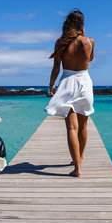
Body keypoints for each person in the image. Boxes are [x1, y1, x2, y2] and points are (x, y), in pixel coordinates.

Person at [44, 9, 94, 177]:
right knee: (83, 125)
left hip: (67, 82)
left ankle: (77, 168)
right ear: (82, 25)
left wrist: (51, 83)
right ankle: (79, 156)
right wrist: (84, 35)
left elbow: (56, 67)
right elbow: (90, 58)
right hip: (84, 82)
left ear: (68, 23)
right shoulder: (90, 41)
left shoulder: (60, 43)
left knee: (72, 127)